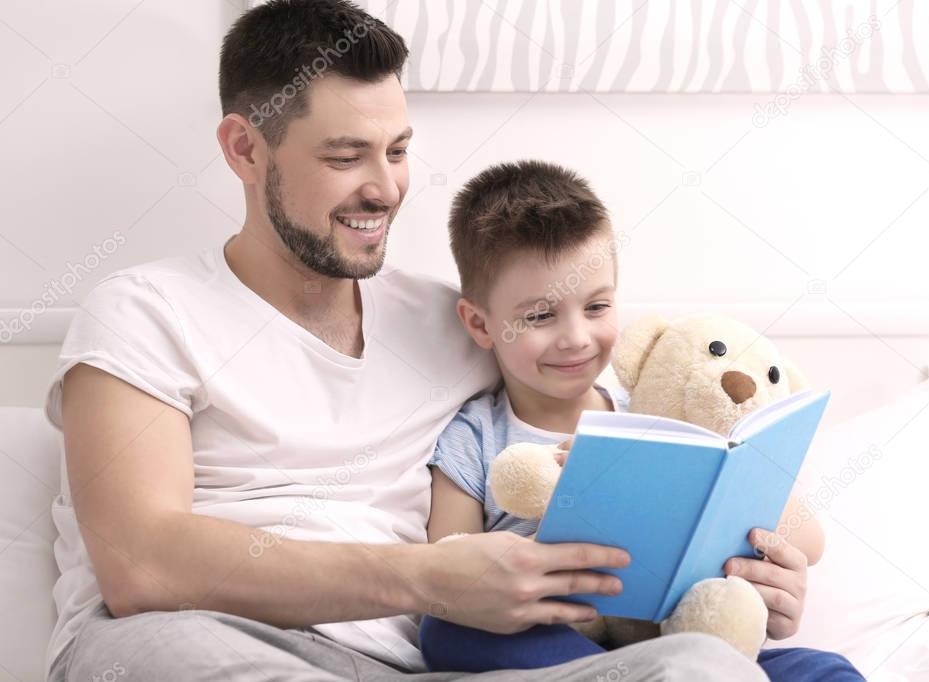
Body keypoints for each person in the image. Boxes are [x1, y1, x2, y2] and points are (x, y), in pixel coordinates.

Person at [42, 1, 769, 680]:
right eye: (344, 156)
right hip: (211, 638)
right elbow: (140, 565)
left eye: (397, 150)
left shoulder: (460, 323)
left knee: (700, 667)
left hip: (423, 662)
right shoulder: (145, 311)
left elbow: (599, 457)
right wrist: (424, 577)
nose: (385, 187)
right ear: (244, 148)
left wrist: (738, 572)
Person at [418, 160, 864, 682]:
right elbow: (445, 573)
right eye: (540, 316)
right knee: (448, 632)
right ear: (479, 322)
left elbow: (807, 536)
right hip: (560, 645)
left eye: (597, 306)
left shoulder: (652, 412)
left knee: (826, 669)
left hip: (673, 637)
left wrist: (776, 568)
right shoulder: (476, 436)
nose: (576, 337)